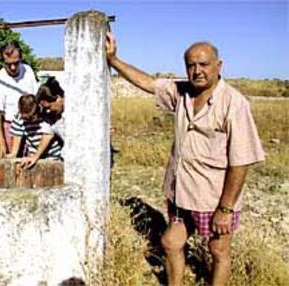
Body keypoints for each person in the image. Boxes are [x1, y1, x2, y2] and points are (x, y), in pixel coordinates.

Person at [106, 32, 265, 286]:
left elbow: (241, 160)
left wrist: (225, 208)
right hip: (181, 191)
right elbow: (148, 83)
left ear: (218, 66)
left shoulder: (234, 104)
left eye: (203, 64)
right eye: (191, 65)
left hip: (213, 198)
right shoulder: (181, 93)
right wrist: (114, 60)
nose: (197, 70)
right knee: (170, 242)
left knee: (219, 251)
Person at [0, 42, 38, 158]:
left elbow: (35, 97)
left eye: (16, 63)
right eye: (8, 64)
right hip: (10, 128)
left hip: (31, 126)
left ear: (20, 58)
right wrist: (2, 143)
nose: (12, 67)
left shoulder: (28, 71)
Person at [8, 94, 63, 163]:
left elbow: (48, 135)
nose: (28, 121)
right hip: (33, 157)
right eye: (25, 118)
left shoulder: (46, 114)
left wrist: (36, 156)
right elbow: (14, 151)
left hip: (53, 156)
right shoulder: (19, 119)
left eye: (31, 118)